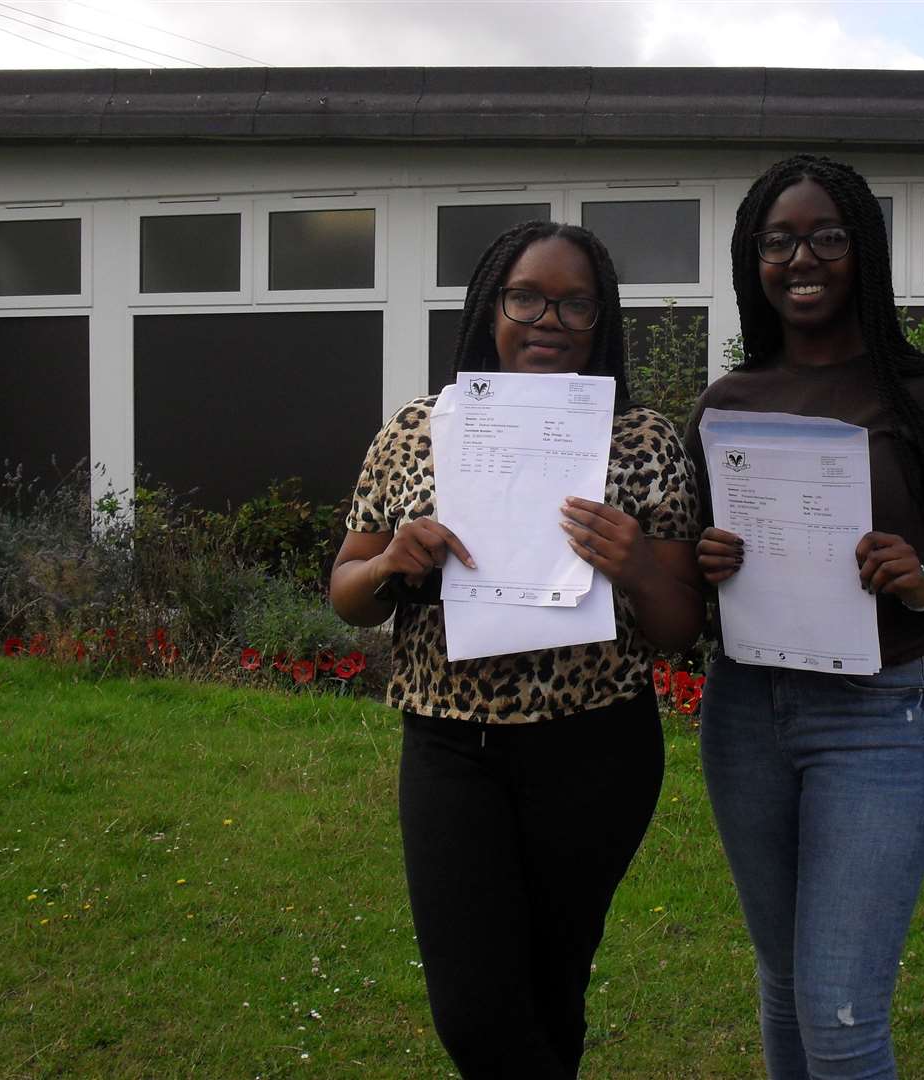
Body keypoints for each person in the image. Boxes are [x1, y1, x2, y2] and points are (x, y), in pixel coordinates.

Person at [330, 221, 704, 1079]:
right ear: (491, 306)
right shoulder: (418, 430)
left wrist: (638, 564)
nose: (550, 319)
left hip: (597, 748)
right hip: (452, 745)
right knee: (474, 1015)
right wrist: (389, 561)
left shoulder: (642, 440)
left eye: (577, 303)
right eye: (527, 296)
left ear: (601, 319)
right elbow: (348, 592)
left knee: (551, 989)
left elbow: (681, 625)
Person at [685, 155, 924, 1079]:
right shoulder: (723, 405)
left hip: (879, 711)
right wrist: (710, 563)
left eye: (828, 235)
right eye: (777, 241)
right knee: (784, 980)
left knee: (841, 1006)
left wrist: (919, 581)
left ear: (863, 250)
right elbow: (702, 572)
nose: (802, 257)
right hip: (747, 709)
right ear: (753, 261)